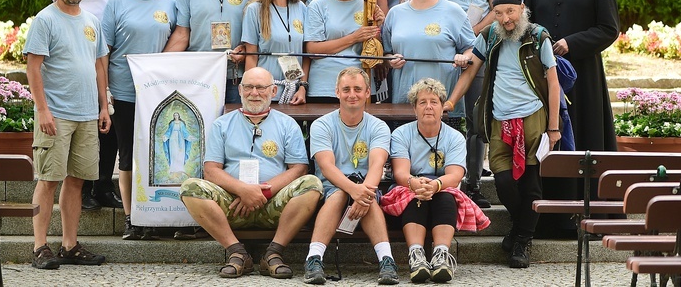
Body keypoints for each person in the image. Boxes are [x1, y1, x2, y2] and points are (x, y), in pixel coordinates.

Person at [444, 0, 561, 268]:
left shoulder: (538, 36)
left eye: (510, 11)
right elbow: (471, 70)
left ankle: (521, 240)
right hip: (499, 118)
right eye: (499, 13)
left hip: (533, 116)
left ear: (521, 8)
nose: (506, 18)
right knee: (504, 181)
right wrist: (450, 101)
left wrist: (553, 128)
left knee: (531, 183)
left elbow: (553, 82)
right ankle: (522, 228)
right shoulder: (490, 35)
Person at [179, 67, 323, 279]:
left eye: (261, 87)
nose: (254, 93)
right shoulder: (222, 125)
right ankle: (236, 253)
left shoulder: (287, 125)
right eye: (248, 87)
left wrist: (262, 193)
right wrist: (242, 190)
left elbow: (299, 168)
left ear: (273, 91)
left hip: (274, 204)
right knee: (189, 188)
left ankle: (273, 254)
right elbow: (210, 171)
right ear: (239, 90)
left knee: (312, 185)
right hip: (232, 203)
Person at [25, 0, 110, 269]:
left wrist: (104, 105)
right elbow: (33, 68)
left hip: (88, 114)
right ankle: (39, 247)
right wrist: (43, 110)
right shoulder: (45, 20)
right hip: (55, 116)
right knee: (48, 180)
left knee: (76, 181)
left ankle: (70, 246)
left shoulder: (91, 21)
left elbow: (100, 65)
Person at [49, 0, 131, 212]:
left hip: (113, 50)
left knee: (107, 115)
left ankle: (102, 186)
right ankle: (79, 188)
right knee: (84, 115)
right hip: (81, 45)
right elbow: (60, 2)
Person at [101, 0, 177, 240]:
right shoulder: (116, 3)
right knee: (129, 155)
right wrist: (103, 91)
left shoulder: (170, 3)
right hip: (124, 91)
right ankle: (132, 218)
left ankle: (157, 215)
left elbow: (178, 41)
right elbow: (103, 51)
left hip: (158, 94)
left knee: (159, 154)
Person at [525, 0, 619, 154]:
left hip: (584, 71)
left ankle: (584, 190)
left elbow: (609, 28)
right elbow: (526, 25)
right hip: (543, 73)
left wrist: (572, 43)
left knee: (584, 132)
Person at [432, 0, 504, 209]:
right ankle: (436, 179)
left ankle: (473, 185)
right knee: (437, 114)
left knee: (476, 119)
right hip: (441, 50)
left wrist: (471, 32)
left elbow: (498, 8)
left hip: (478, 49)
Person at [303, 67, 399, 285]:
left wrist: (362, 192)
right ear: (337, 92)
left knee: (368, 199)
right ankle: (313, 258)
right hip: (330, 188)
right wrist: (354, 190)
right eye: (346, 89)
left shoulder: (379, 126)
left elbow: (377, 164)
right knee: (339, 195)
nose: (352, 94)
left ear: (367, 93)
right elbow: (326, 167)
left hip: (366, 186)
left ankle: (387, 260)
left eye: (358, 89)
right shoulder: (321, 125)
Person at [381, 79, 481, 283]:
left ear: (442, 107)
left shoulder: (455, 137)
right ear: (414, 108)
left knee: (446, 196)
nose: (428, 107)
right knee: (414, 197)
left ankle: (441, 255)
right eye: (422, 102)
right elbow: (401, 172)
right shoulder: (401, 134)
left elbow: (455, 174)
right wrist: (415, 183)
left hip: (441, 185)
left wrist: (435, 185)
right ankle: (416, 256)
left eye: (434, 102)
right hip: (409, 185)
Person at [382, 0, 474, 119]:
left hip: (442, 106)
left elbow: (471, 48)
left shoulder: (454, 12)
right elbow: (385, 53)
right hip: (404, 104)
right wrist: (390, 60)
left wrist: (464, 57)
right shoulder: (395, 14)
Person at [304, 0, 382, 101]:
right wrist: (354, 38)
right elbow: (313, 50)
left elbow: (373, 49)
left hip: (359, 85)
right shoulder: (318, 5)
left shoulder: (369, 5)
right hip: (324, 85)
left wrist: (378, 25)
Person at [242, 0, 309, 104]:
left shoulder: (301, 8)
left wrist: (302, 87)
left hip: (294, 93)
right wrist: (251, 91)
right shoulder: (255, 10)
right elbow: (251, 56)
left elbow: (306, 54)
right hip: (265, 92)